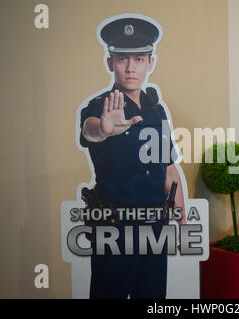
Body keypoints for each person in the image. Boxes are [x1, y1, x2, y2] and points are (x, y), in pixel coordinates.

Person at [78, 16, 186, 299]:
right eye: (123, 59)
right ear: (110, 63)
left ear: (150, 63)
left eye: (139, 59)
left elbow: (169, 170)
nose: (130, 68)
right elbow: (90, 131)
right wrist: (102, 129)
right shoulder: (101, 107)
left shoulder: (156, 108)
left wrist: (182, 223)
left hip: (155, 228)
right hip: (115, 230)